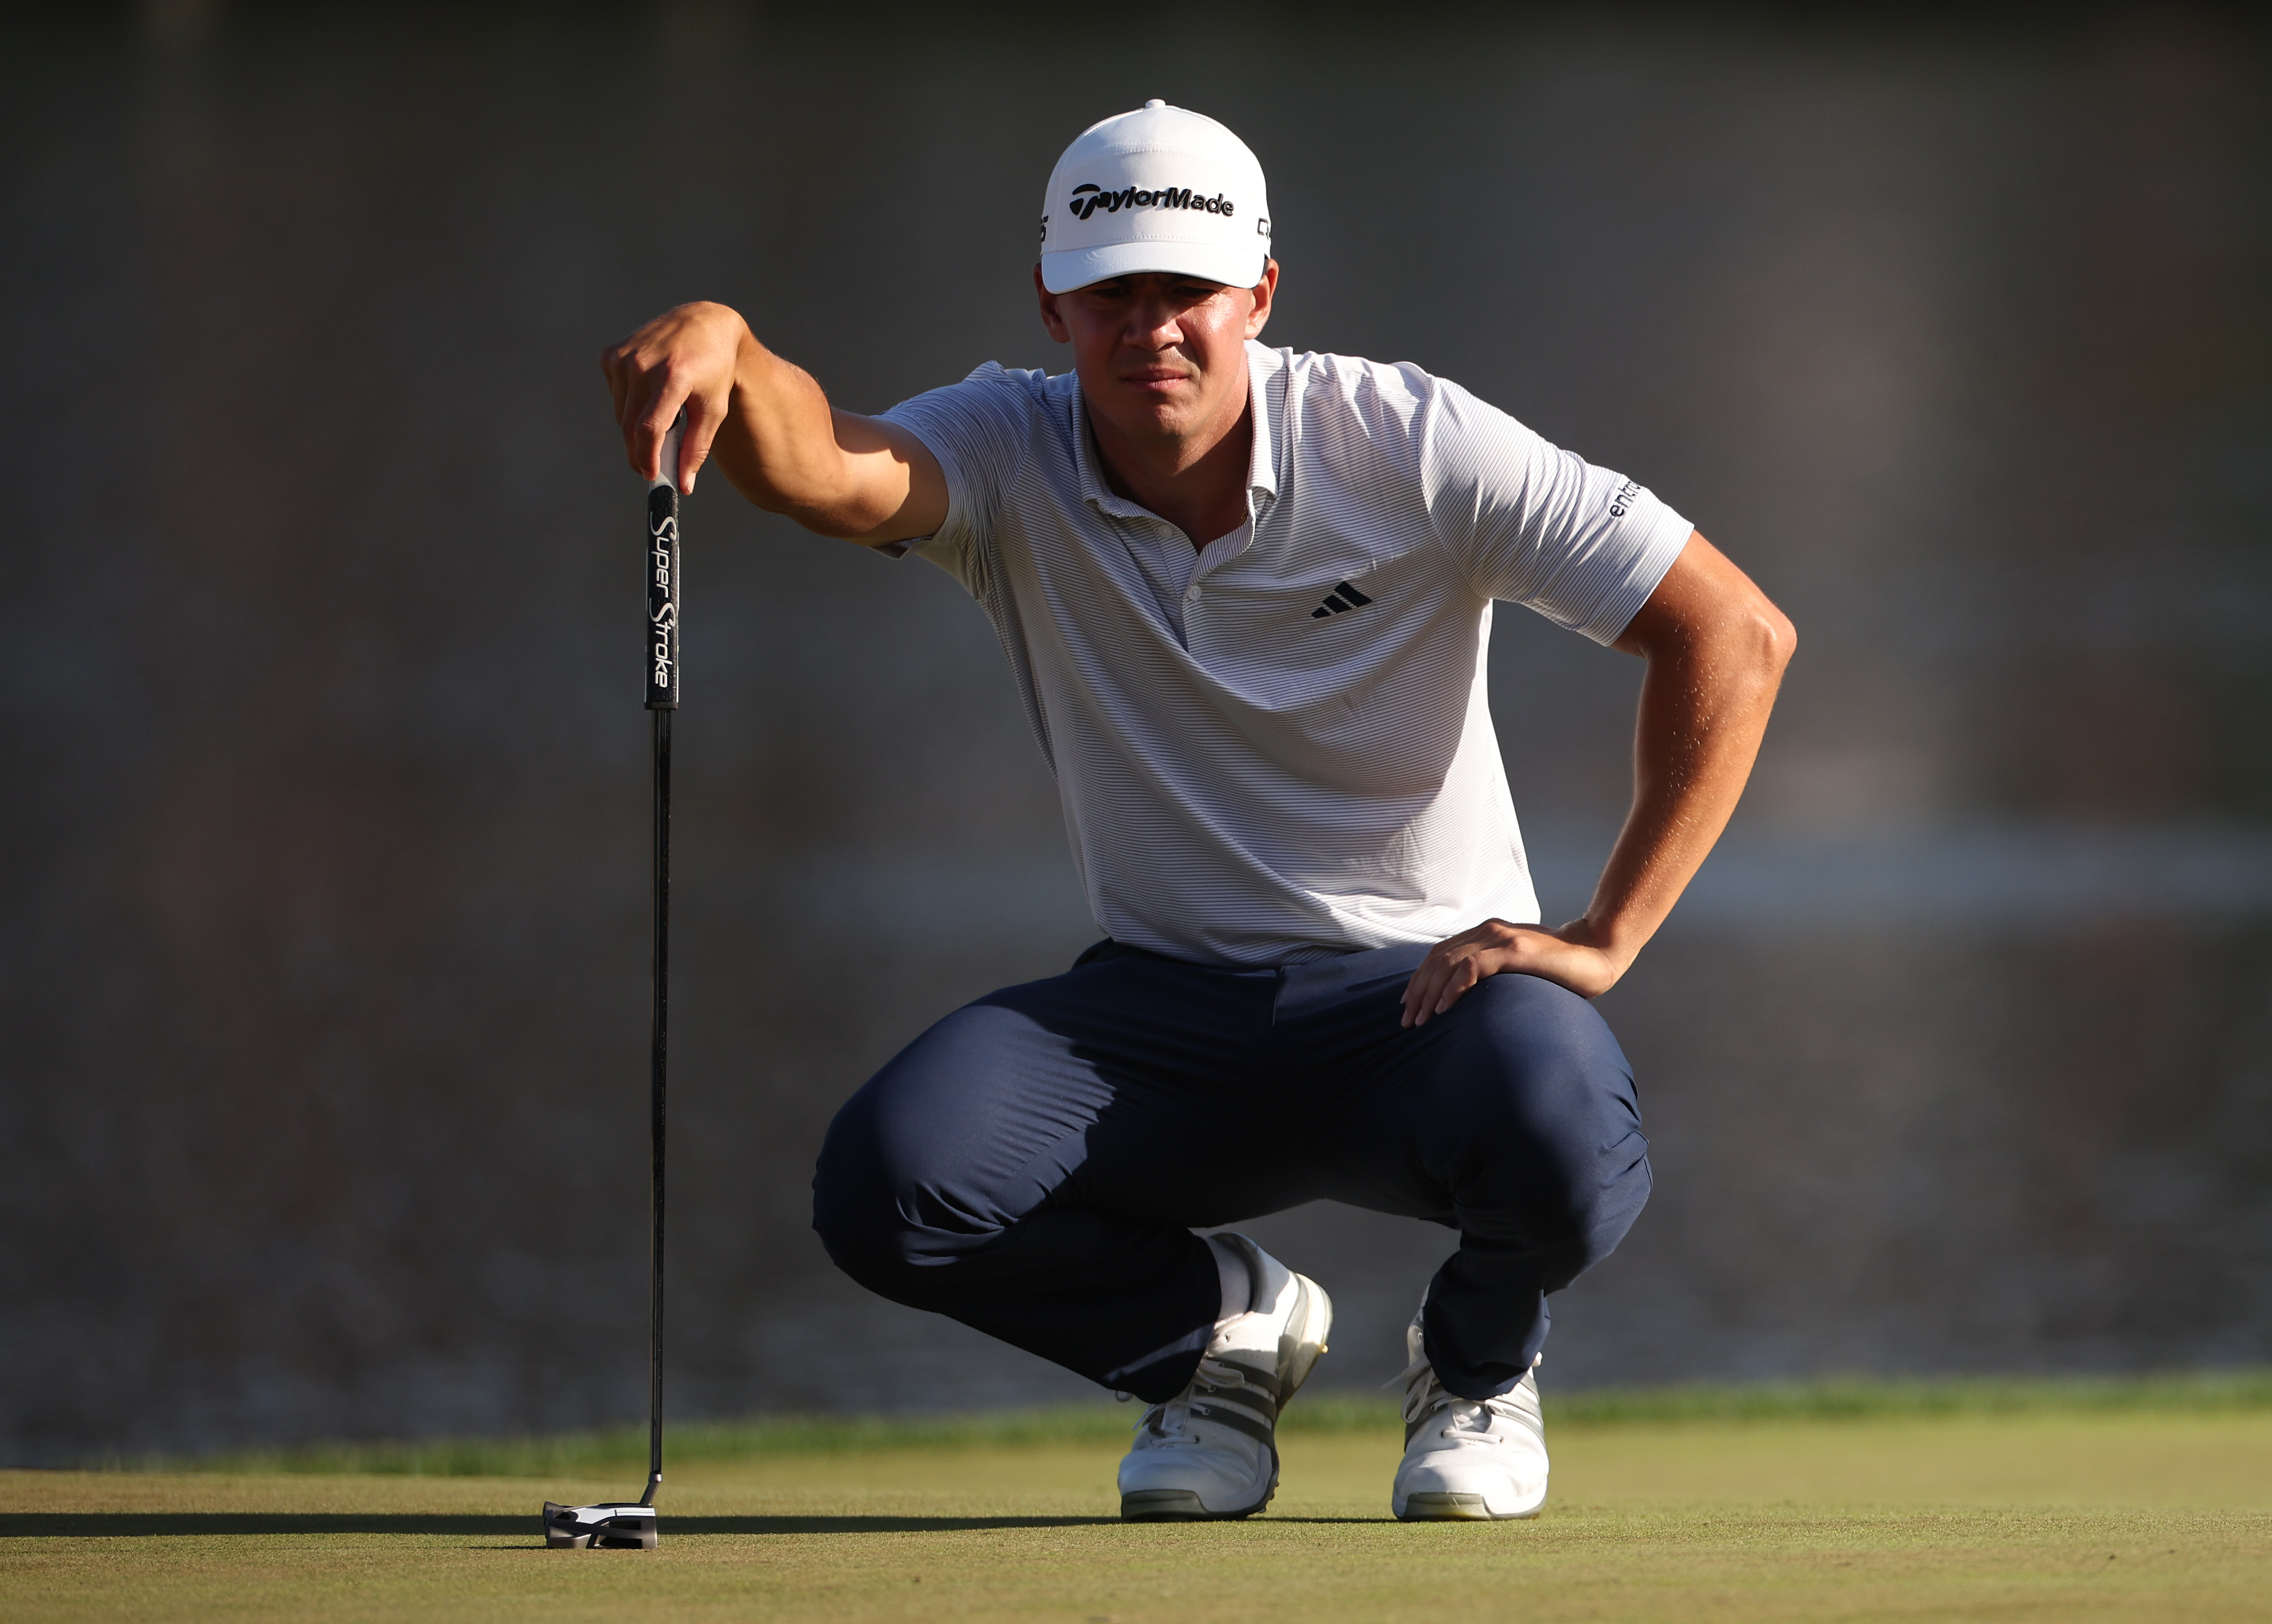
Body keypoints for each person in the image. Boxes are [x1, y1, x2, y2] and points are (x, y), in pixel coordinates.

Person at [600, 101, 1794, 1523]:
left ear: (1260, 298)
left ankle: (1475, 1368)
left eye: (1186, 293)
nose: (1149, 327)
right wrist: (733, 350)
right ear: (1052, 302)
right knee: (890, 1184)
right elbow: (827, 471)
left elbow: (1729, 630)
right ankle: (1213, 1337)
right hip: (1161, 1026)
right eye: (1113, 294)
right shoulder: (1004, 451)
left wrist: (1605, 934)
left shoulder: (1408, 442)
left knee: (1566, 1127)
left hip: (1421, 1011)